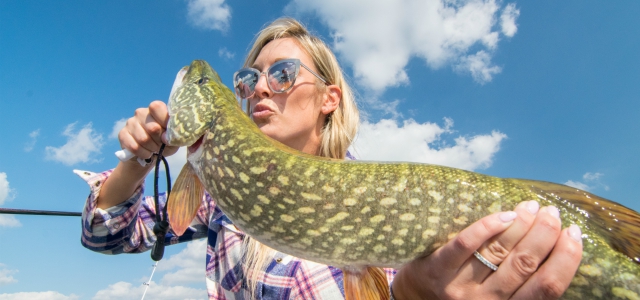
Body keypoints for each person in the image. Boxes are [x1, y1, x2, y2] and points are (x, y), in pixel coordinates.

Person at [78, 18, 583, 299]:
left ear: (328, 98)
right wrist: (138, 159)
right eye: (248, 80)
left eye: (282, 74)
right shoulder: (218, 191)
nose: (258, 91)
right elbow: (106, 236)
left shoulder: (377, 198)